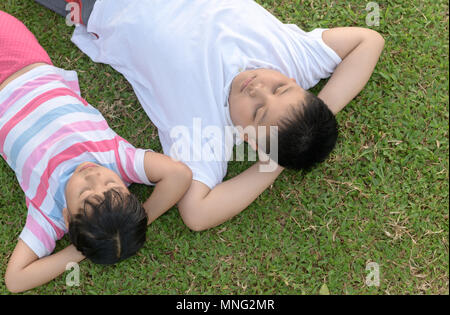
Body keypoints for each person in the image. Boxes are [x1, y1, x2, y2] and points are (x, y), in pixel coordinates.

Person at [35, 0, 385, 231]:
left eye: (259, 112)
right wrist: (321, 111)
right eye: (280, 88)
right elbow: (368, 41)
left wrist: (272, 163)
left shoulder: (206, 134)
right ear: (297, 83)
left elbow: (197, 214)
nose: (257, 87)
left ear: (248, 138)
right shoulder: (296, 58)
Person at [0, 10, 192, 293]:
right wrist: (138, 218)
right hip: (23, 61)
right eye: (110, 184)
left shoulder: (49, 213)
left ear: (67, 218)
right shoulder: (117, 161)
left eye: (84, 193)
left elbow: (15, 280)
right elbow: (179, 174)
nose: (94, 177)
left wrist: (77, 252)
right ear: (127, 191)